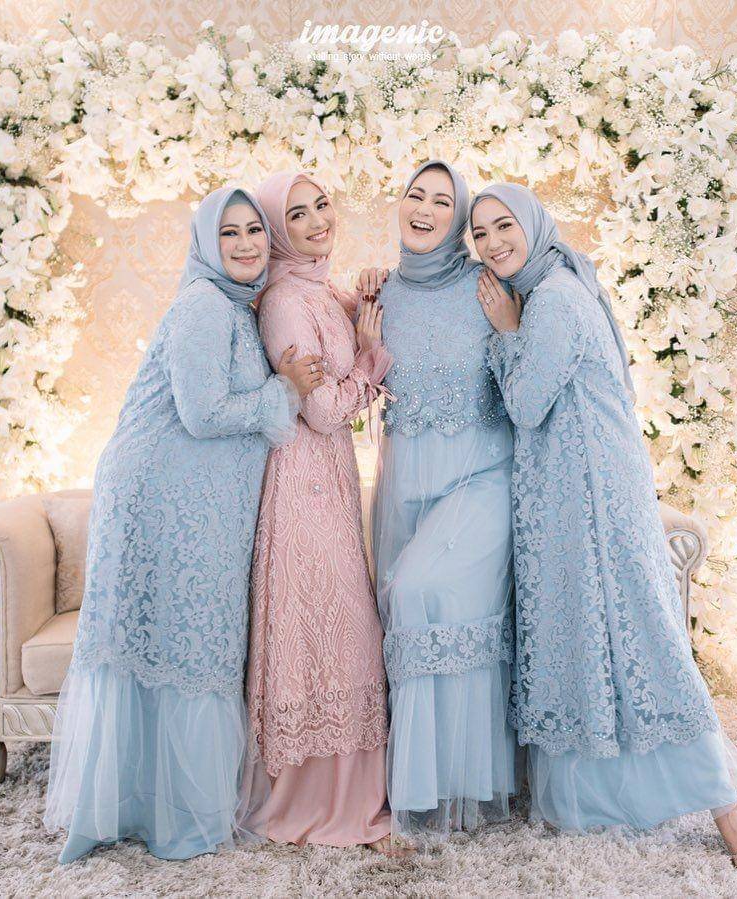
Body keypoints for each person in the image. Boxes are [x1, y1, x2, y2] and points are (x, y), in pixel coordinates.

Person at [468, 181, 737, 872]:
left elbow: (526, 404)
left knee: (643, 641)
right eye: (480, 234)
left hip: (594, 497)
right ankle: (599, 799)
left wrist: (506, 334)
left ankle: (725, 804)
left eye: (504, 225)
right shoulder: (550, 287)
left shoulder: (552, 299)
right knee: (594, 640)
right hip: (577, 491)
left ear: (533, 224)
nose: (492, 243)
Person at [44, 186, 320, 863]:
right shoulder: (203, 305)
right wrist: (284, 390)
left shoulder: (235, 308)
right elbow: (201, 413)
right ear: (206, 245)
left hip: (194, 501)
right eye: (229, 233)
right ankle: (171, 817)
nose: (246, 244)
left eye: (254, 230)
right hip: (161, 499)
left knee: (190, 646)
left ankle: (163, 807)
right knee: (184, 647)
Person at [244, 171, 400, 855]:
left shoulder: (319, 288)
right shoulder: (284, 301)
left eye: (321, 206)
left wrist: (369, 293)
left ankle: (351, 798)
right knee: (325, 632)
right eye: (297, 215)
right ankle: (321, 804)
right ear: (279, 232)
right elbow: (324, 410)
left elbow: (361, 313)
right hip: (301, 485)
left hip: (328, 481)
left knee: (341, 630)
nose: (316, 222)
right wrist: (367, 364)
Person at [365, 160, 517, 843]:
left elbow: (524, 378)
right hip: (406, 488)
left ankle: (457, 784)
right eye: (415, 195)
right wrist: (366, 346)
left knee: (426, 594)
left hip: (480, 478)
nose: (424, 209)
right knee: (408, 608)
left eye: (441, 201)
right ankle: (426, 786)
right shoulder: (376, 295)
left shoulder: (487, 286)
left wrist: (509, 328)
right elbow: (357, 390)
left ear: (458, 220)